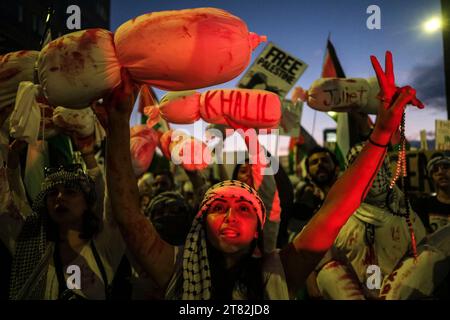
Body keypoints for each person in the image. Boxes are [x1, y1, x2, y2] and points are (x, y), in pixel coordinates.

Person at [104, 52, 423, 299]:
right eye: (218, 208)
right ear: (199, 220)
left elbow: (334, 211)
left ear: (260, 227)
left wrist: (381, 132)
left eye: (244, 209)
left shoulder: (282, 271)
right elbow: (128, 214)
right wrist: (119, 123)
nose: (231, 215)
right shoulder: (173, 268)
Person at [4, 132, 130, 300]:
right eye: (53, 193)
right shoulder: (33, 246)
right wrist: (12, 161)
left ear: (88, 203)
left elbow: (112, 199)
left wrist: (88, 155)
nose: (60, 197)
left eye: (70, 192)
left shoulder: (105, 246)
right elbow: (17, 201)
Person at [314, 143, 426, 299]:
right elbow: (321, 266)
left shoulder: (406, 217)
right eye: (360, 166)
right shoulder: (337, 218)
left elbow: (421, 265)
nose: (368, 172)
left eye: (374, 165)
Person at [412, 154, 450, 233]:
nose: (441, 172)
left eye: (446, 167)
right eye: (435, 169)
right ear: (432, 177)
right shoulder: (423, 206)